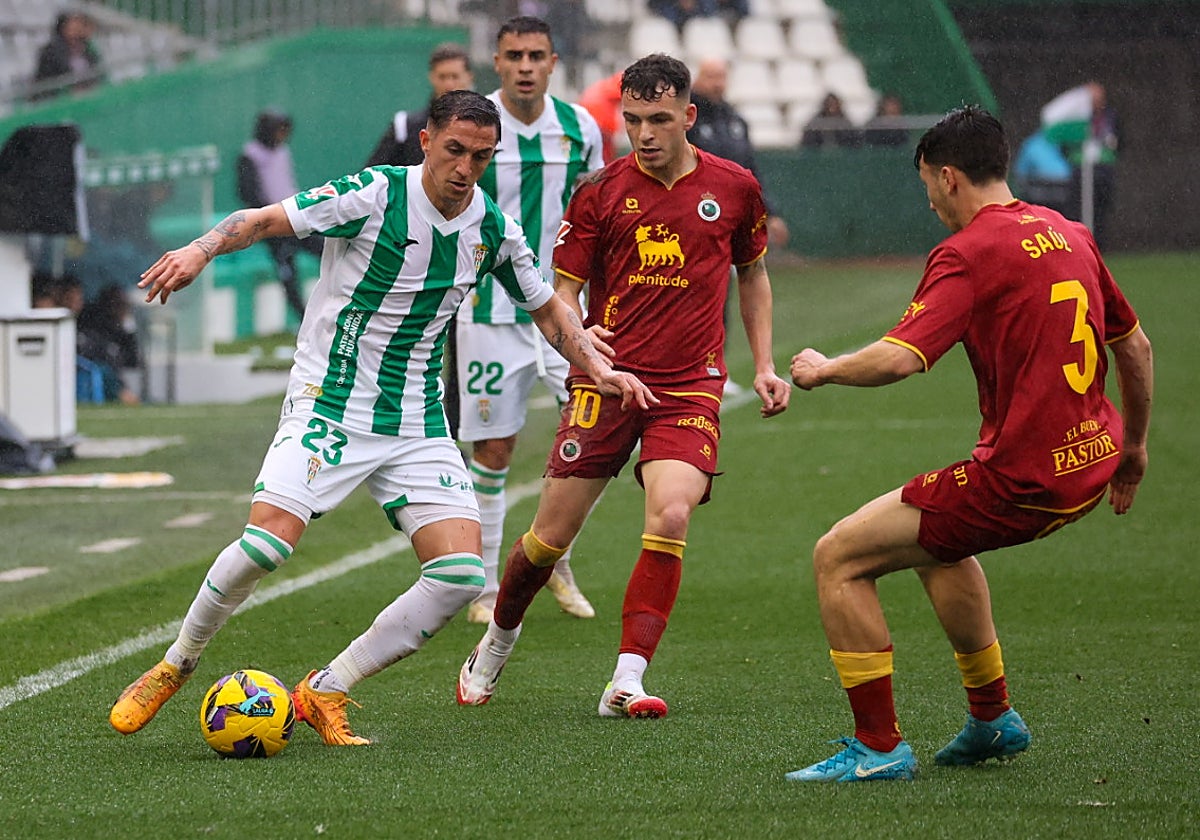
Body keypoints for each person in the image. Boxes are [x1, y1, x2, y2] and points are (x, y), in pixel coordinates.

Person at [107, 90, 654, 746]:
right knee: (267, 545)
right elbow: (260, 219)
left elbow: (545, 309)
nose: (465, 167)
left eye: (481, 156)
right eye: (454, 150)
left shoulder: (491, 229)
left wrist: (596, 363)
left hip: (416, 422)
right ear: (426, 142)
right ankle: (175, 665)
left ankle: (326, 687)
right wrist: (200, 251)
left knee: (459, 577)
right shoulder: (372, 195)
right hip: (330, 404)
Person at [785, 105, 1153, 782]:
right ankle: (992, 721)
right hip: (1094, 461)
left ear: (949, 177)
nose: (929, 202)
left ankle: (877, 748)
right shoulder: (1067, 230)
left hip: (1028, 482)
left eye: (927, 184)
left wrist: (822, 370)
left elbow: (899, 359)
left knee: (837, 557)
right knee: (936, 536)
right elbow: (1135, 346)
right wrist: (1133, 451)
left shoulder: (968, 251)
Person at [457, 53, 791, 718]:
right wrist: (586, 352)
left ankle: (626, 680)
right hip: (605, 385)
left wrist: (764, 364)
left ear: (688, 116)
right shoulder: (601, 194)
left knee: (670, 513)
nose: (644, 133)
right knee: (547, 540)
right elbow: (562, 294)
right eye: (634, 119)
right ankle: (496, 641)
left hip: (690, 385)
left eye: (660, 119)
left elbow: (751, 273)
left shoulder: (735, 188)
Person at [456, 16, 606, 625]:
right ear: (496, 60)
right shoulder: (475, 128)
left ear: (552, 62)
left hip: (565, 310)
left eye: (536, 55)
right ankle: (487, 586)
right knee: (494, 446)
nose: (524, 65)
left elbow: (597, 215)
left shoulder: (581, 128)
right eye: (514, 54)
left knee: (591, 443)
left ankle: (553, 557)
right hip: (490, 313)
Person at [687, 57, 789, 397]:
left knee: (722, 293)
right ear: (698, 78)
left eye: (721, 76)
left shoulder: (735, 121)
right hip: (690, 221)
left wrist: (769, 212)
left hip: (730, 223)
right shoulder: (688, 120)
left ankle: (715, 366)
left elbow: (751, 171)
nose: (717, 83)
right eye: (711, 76)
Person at [235, 110, 322, 321]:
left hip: (297, 218)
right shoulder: (250, 156)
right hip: (274, 225)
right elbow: (248, 193)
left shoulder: (282, 152)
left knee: (327, 250)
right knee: (288, 274)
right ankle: (304, 320)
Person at [364, 42, 474, 168]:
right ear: (431, 77)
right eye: (442, 77)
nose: (448, 84)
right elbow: (374, 174)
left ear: (469, 77)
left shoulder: (489, 127)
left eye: (455, 77)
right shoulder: (405, 126)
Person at [32, 10, 102, 101]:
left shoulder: (87, 48)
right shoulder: (50, 51)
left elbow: (97, 72)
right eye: (74, 24)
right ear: (63, 27)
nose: (78, 27)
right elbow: (53, 80)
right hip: (57, 98)